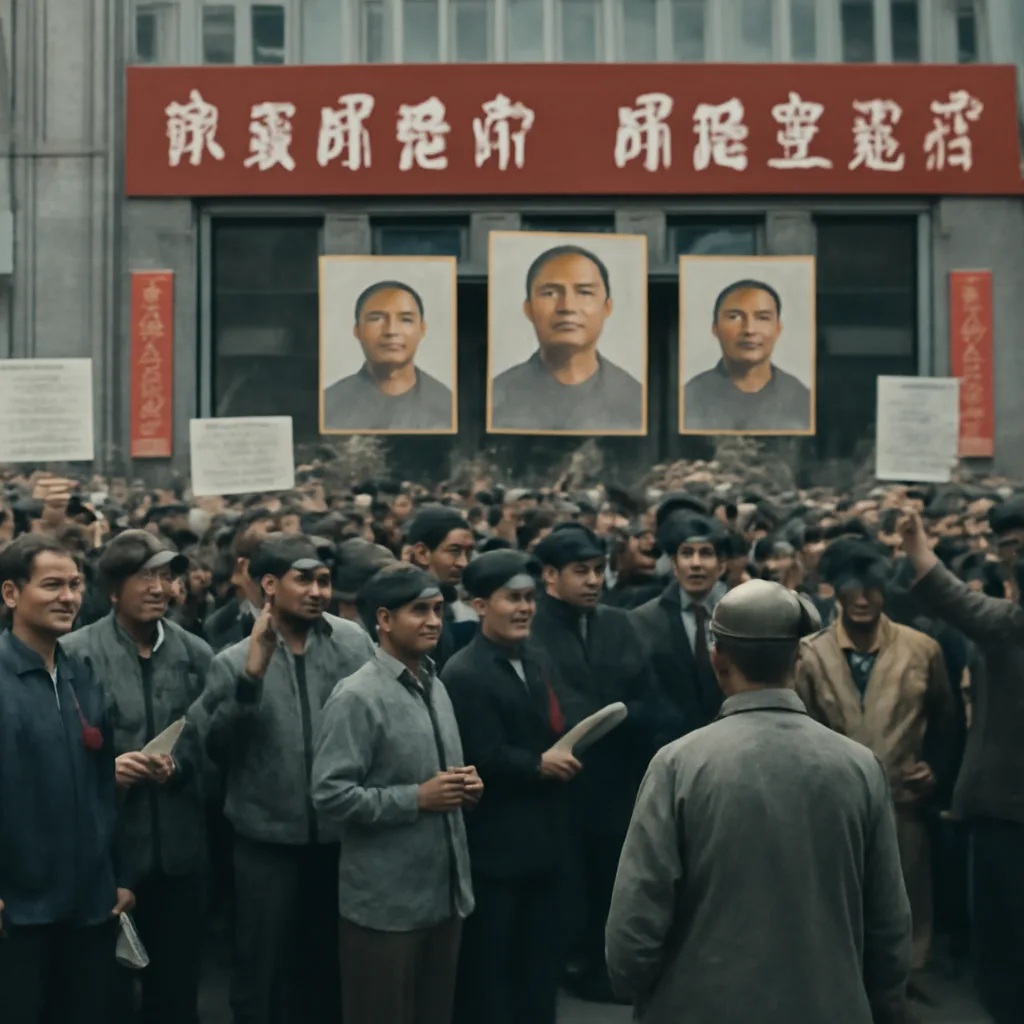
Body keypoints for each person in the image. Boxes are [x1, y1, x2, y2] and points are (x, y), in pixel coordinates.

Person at [606, 579, 912, 1023]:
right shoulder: (859, 765)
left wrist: (636, 985)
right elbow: (889, 917)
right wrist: (881, 996)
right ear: (799, 657)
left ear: (718, 659)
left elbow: (637, 916)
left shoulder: (679, 763)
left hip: (699, 1005)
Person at [196, 533, 375, 1024]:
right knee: (262, 970)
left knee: (329, 968)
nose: (318, 591)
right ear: (269, 585)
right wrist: (251, 678)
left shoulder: (353, 643)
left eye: (323, 580)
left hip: (340, 837)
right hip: (265, 842)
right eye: (304, 580)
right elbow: (216, 752)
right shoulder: (232, 660)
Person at [312, 563, 478, 1024]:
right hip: (385, 907)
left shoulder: (433, 684)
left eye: (438, 610)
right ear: (383, 620)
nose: (433, 621)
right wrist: (416, 798)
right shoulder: (356, 697)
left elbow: (434, 777)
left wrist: (465, 786)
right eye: (418, 610)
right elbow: (330, 795)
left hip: (444, 895)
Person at [60, 530, 214, 1024]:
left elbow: (217, 750)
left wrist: (180, 767)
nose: (158, 588)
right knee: (102, 994)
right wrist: (110, 773)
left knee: (176, 993)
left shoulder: (196, 654)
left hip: (181, 853)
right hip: (106, 858)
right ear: (111, 590)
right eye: (143, 577)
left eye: (166, 576)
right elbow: (55, 756)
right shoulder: (74, 653)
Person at [795, 538, 954, 983]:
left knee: (904, 900)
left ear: (886, 591)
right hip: (831, 803)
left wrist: (935, 768)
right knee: (835, 901)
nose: (862, 600)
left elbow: (946, 721)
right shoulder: (810, 653)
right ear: (836, 592)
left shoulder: (922, 649)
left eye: (872, 589)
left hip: (902, 798)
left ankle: (902, 987)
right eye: (851, 589)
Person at [0, 535, 136, 1024]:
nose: (68, 597)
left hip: (88, 903)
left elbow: (103, 786)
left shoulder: (81, 676)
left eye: (75, 584)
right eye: (52, 584)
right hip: (16, 912)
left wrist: (118, 876)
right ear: (11, 594)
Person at [442, 551, 579, 1024]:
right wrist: (536, 766)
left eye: (529, 599)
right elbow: (480, 753)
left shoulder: (536, 660)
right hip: (495, 853)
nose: (524, 609)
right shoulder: (464, 673)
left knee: (539, 974)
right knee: (492, 977)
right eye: (511, 599)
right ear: (480, 606)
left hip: (546, 845)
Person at [898, 508, 1024, 1024]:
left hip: (1003, 806)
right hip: (1003, 804)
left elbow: (943, 589)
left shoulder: (1007, 624)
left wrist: (915, 542)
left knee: (1002, 940)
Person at [529, 523, 656, 1003]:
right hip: (560, 783)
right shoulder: (533, 627)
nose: (592, 580)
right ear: (549, 576)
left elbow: (647, 695)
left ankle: (602, 966)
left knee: (611, 876)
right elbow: (558, 706)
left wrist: (623, 717)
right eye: (579, 571)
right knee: (564, 885)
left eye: (597, 570)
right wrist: (614, 715)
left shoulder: (618, 623)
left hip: (617, 779)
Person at [490, 244, 643, 432]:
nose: (567, 307)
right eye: (550, 293)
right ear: (528, 309)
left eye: (584, 292)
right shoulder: (496, 396)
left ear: (607, 307)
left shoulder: (635, 398)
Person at [631, 511, 729, 746]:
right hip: (669, 748)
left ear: (721, 565)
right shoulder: (644, 620)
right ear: (674, 565)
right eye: (687, 554)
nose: (696, 564)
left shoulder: (739, 614)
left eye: (706, 554)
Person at [683, 278, 812, 433]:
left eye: (763, 318)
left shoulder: (802, 399)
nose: (749, 330)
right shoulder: (689, 398)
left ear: (778, 328)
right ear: (715, 328)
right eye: (734, 317)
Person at [322, 280, 453, 432]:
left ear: (422, 329)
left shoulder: (448, 404)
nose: (391, 331)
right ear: (357, 330)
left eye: (405, 320)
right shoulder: (329, 404)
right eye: (376, 318)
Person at [406, 506, 477, 668]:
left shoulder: (456, 602)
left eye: (468, 553)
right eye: (454, 551)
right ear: (422, 553)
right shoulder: (401, 609)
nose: (463, 563)